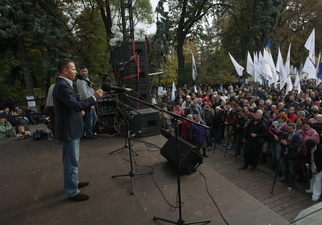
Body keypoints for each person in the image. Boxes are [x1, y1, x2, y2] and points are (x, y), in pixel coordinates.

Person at [53, 58, 103, 201]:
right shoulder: (62, 85)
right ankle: (72, 191)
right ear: (65, 71)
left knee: (72, 160)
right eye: (74, 69)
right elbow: (75, 105)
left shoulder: (65, 84)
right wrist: (93, 97)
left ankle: (73, 183)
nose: (75, 72)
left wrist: (78, 111)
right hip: (68, 130)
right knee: (70, 162)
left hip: (71, 128)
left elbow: (71, 106)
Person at [76, 66, 98, 139]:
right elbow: (83, 93)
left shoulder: (86, 79)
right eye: (82, 71)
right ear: (80, 72)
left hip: (90, 100)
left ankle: (89, 131)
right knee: (90, 118)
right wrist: (89, 103)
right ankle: (88, 133)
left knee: (94, 118)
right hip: (87, 101)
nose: (84, 72)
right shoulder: (81, 80)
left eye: (85, 71)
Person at [279, 123, 302, 187]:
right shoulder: (286, 134)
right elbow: (282, 144)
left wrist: (287, 144)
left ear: (294, 129)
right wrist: (282, 143)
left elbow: (295, 147)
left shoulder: (297, 137)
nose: (288, 130)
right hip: (285, 153)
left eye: (290, 129)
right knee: (285, 168)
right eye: (287, 129)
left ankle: (292, 182)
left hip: (292, 155)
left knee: (291, 169)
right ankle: (286, 179)